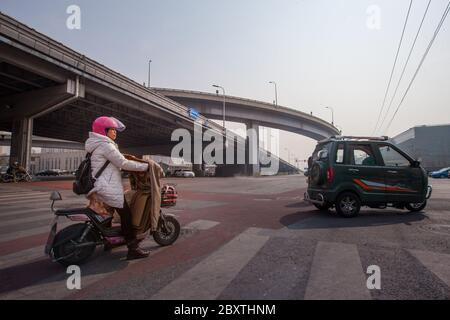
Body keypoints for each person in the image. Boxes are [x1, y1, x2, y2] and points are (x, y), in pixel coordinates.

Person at [85, 116, 150, 260]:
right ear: (104, 131)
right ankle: (133, 248)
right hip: (108, 187)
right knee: (127, 216)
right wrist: (146, 166)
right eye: (112, 130)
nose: (115, 133)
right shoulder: (106, 145)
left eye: (115, 130)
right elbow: (123, 163)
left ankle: (110, 241)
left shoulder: (95, 145)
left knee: (108, 213)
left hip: (101, 185)